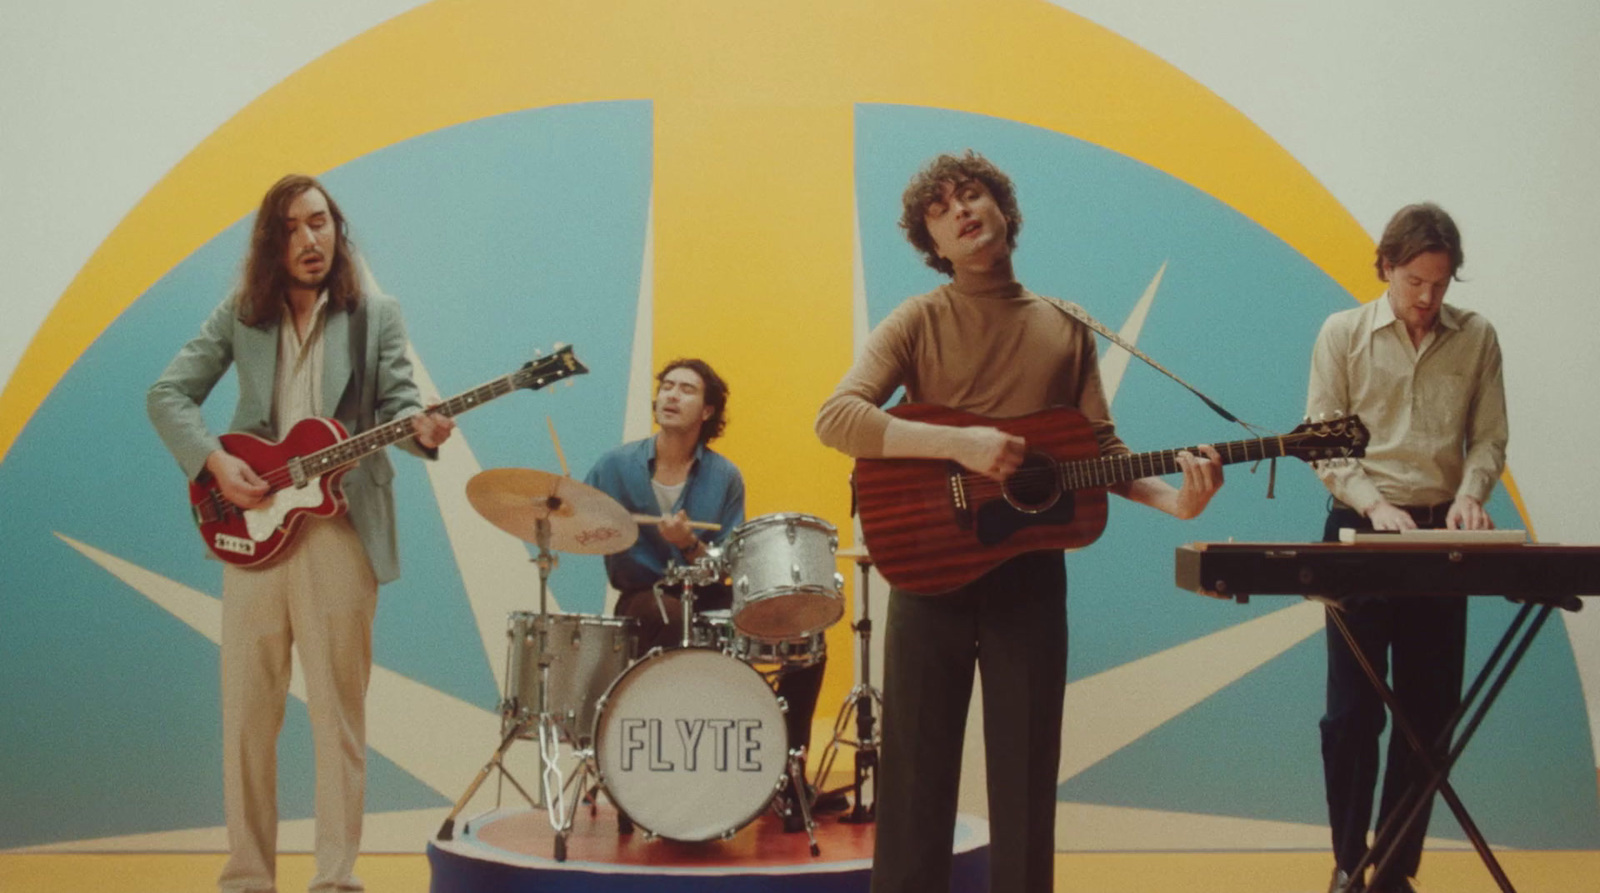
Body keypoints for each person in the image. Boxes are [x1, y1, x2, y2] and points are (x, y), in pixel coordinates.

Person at [815, 150, 1224, 893]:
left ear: (1005, 210)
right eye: (940, 209)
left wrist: (1176, 502)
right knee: (911, 788)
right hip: (928, 569)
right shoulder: (918, 318)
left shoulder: (1066, 327)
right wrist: (959, 444)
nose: (961, 210)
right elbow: (836, 417)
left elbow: (1102, 452)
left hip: (1031, 577)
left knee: (1028, 784)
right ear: (932, 244)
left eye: (972, 195)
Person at [148, 174, 453, 893]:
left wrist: (427, 432)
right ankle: (247, 877)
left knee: (337, 717)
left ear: (336, 229)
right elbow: (166, 393)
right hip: (254, 527)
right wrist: (215, 462)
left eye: (319, 223)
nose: (309, 240)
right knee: (249, 717)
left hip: (338, 529)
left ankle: (335, 879)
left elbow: (404, 409)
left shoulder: (376, 316)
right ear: (270, 243)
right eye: (291, 228)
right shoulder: (242, 315)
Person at [1305, 203, 1507, 893]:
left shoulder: (1477, 337)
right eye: (1415, 280)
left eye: (1441, 284)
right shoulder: (1342, 333)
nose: (1427, 297)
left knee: (1428, 715)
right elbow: (1320, 440)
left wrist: (1471, 492)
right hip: (1361, 528)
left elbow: (1488, 437)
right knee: (1350, 714)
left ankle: (1392, 870)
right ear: (1386, 267)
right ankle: (1347, 862)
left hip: (1441, 532)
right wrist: (1374, 503)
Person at [584, 358, 830, 826]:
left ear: (708, 411)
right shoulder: (613, 467)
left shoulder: (725, 477)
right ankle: (667, 777)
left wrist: (689, 544)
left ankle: (787, 774)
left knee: (805, 636)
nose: (671, 395)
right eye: (666, 386)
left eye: (686, 389)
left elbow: (726, 566)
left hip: (706, 591)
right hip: (643, 593)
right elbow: (577, 522)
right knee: (671, 618)